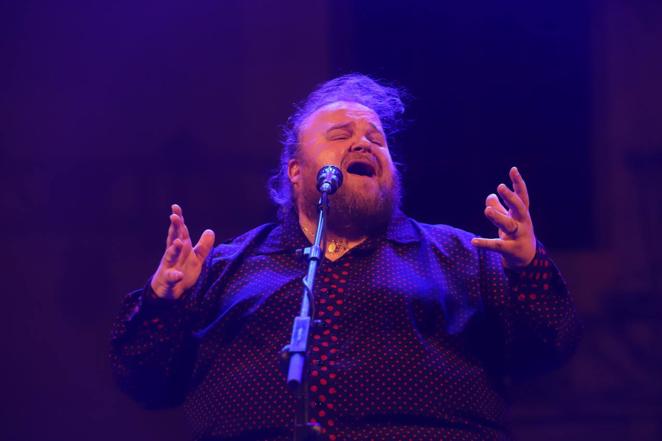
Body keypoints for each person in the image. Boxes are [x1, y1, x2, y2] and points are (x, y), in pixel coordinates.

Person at [110, 74, 581, 441]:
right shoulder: (223, 267)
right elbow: (144, 381)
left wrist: (528, 269)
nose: (363, 144)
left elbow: (547, 352)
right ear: (296, 172)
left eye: (376, 139)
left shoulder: (462, 257)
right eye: (341, 135)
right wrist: (162, 303)